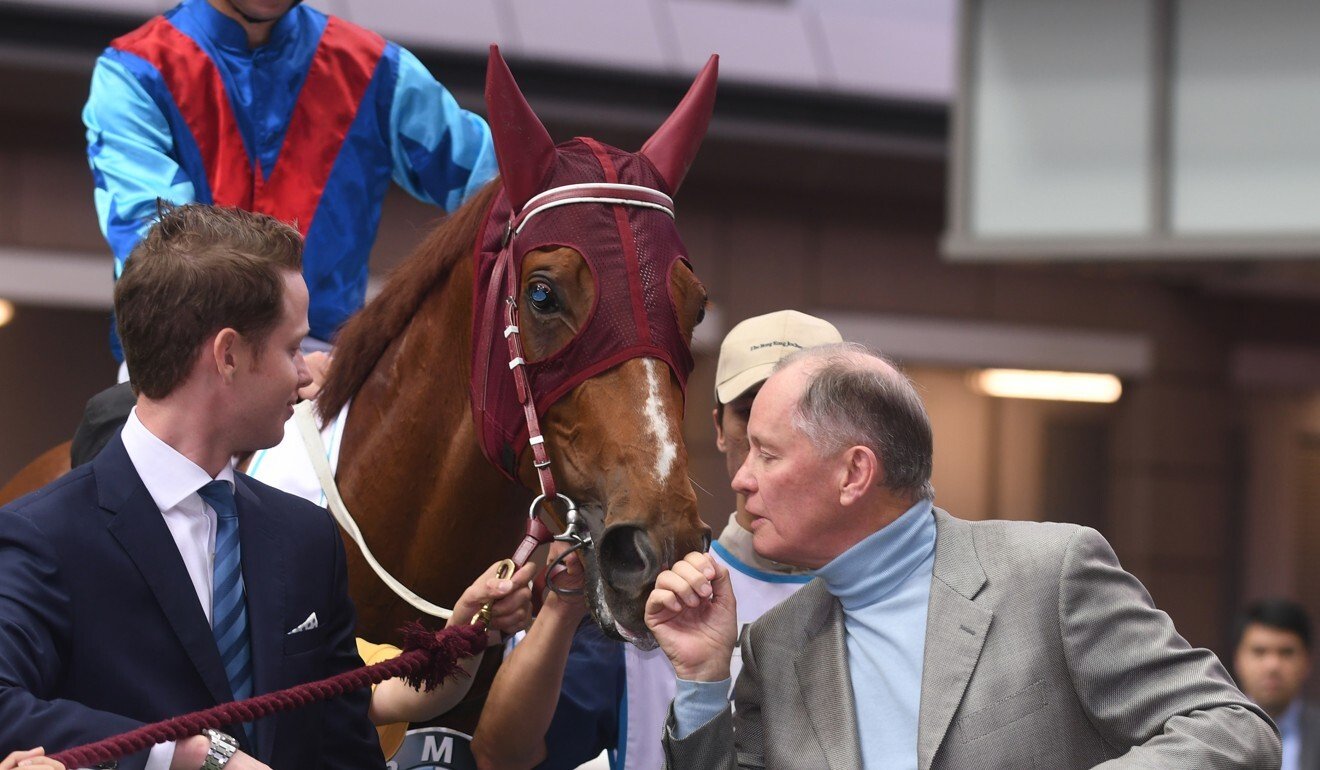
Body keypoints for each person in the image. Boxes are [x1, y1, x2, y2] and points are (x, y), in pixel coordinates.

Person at [0, 204, 527, 770]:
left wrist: (457, 644)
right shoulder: (41, 534)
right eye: (292, 347)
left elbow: (340, 738)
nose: (307, 373)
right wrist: (192, 755)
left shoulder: (303, 536)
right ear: (228, 355)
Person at [647, 343, 1281, 769]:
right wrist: (702, 680)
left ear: (853, 474)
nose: (740, 479)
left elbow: (1230, 724)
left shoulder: (1049, 573)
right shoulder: (774, 644)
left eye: (767, 453)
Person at [470, 310, 843, 770]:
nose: (768, 437)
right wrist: (563, 605)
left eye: (802, 415)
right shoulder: (654, 588)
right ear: (719, 429)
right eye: (749, 413)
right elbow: (502, 757)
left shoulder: (903, 596)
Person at [84, 0, 496, 369]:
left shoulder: (378, 69)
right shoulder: (133, 71)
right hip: (183, 358)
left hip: (328, 363)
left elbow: (502, 187)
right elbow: (167, 249)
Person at [1234, 598, 1320, 769]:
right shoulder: (1213, 731)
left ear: (1307, 662)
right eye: (1259, 651)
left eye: (1286, 653)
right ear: (1238, 659)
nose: (1273, 665)